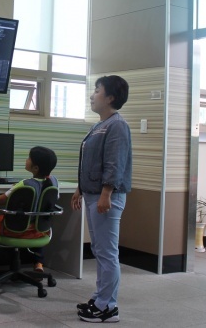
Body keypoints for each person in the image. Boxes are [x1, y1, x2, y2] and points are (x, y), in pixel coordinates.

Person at [72, 75, 132, 324]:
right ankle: (99, 298)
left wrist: (106, 193)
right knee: (99, 249)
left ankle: (108, 307)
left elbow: (114, 163)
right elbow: (91, 162)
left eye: (97, 91)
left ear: (110, 98)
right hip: (93, 194)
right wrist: (80, 188)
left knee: (107, 252)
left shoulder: (117, 125)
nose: (92, 95)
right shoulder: (100, 125)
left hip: (107, 196)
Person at [0, 146, 58, 280]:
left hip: (15, 231)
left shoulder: (25, 184)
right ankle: (38, 263)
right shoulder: (54, 183)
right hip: (39, 231)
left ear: (35, 168)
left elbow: (0, 200)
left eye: (29, 158)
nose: (26, 160)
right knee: (36, 217)